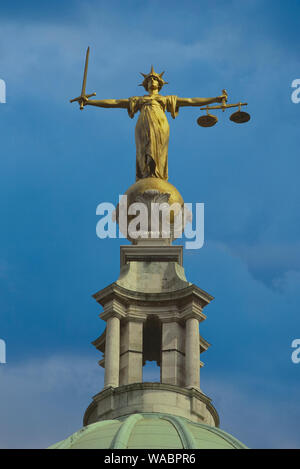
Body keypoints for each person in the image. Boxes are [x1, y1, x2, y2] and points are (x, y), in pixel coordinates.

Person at [79, 66, 227, 181]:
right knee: (144, 149)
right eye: (149, 80)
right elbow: (115, 102)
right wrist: (90, 102)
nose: (152, 81)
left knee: (159, 149)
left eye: (155, 79)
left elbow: (191, 101)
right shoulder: (139, 100)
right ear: (145, 84)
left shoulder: (166, 99)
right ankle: (146, 174)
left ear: (160, 83)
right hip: (143, 123)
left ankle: (157, 175)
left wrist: (214, 99)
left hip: (160, 123)